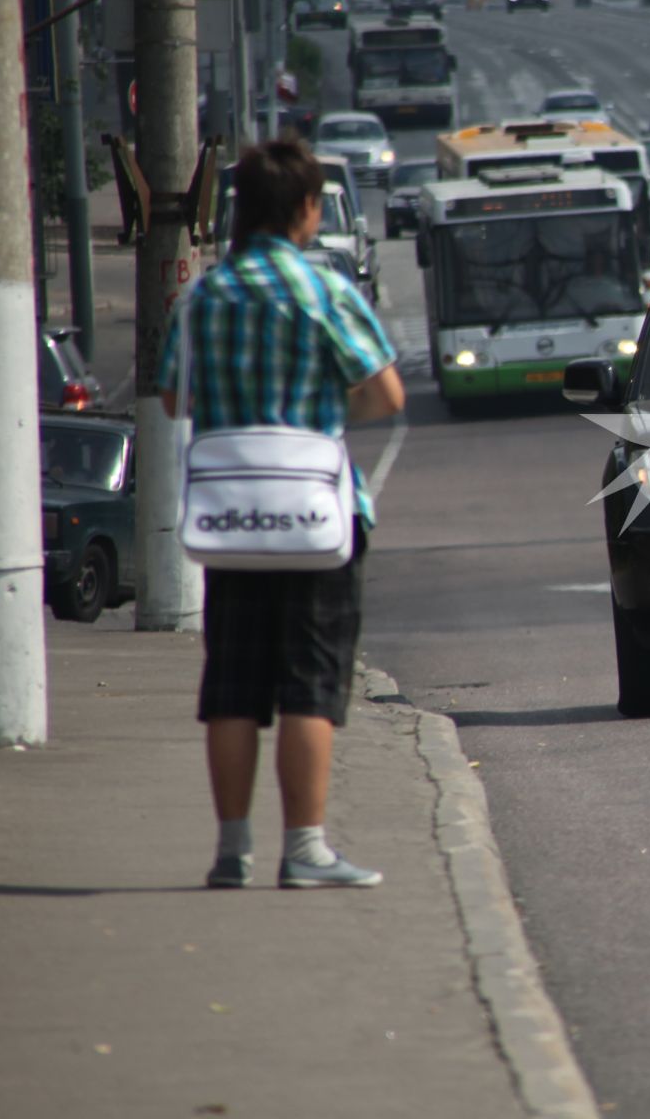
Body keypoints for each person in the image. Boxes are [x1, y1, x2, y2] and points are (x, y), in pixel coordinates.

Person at [159, 139, 405, 891]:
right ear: (305, 208)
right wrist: (323, 406)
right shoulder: (322, 288)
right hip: (313, 515)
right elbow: (384, 395)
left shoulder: (204, 294)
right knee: (310, 680)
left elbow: (175, 398)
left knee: (231, 685)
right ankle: (305, 851)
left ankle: (231, 851)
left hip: (230, 516)